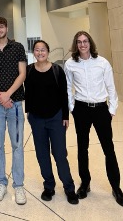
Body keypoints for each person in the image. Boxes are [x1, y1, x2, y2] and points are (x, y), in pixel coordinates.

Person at [65, 31, 123, 206]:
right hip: (81, 109)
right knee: (82, 148)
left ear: (90, 43)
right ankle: (85, 183)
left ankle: (116, 187)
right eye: (79, 42)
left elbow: (111, 87)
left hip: (100, 109)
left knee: (109, 149)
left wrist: (111, 109)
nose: (83, 45)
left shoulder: (102, 63)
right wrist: (72, 108)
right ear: (76, 45)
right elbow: (67, 88)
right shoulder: (70, 64)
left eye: (85, 41)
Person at [25, 40, 79, 204]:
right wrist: (28, 113)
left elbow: (64, 94)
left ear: (48, 52)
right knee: (42, 155)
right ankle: (49, 186)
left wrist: (65, 116)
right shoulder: (29, 70)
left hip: (56, 118)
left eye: (42, 50)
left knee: (60, 154)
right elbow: (28, 93)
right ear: (33, 53)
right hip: (36, 119)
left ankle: (69, 188)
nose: (40, 52)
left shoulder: (57, 70)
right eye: (37, 50)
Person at [0, 16, 27, 205]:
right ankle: (1, 182)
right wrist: (0, 96)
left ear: (7, 28)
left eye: (1, 26)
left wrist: (8, 94)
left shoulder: (17, 47)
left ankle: (18, 185)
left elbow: (22, 74)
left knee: (17, 145)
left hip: (15, 103)